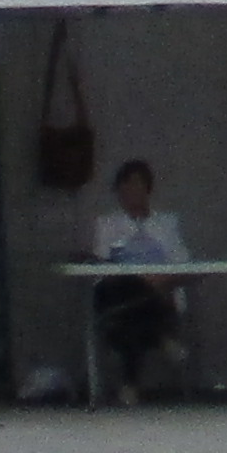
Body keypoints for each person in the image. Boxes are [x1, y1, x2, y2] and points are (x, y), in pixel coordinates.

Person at [87, 159, 193, 399]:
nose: (131, 191)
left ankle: (130, 385)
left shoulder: (166, 224)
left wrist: (161, 280)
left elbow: (184, 264)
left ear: (148, 188)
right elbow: (103, 264)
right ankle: (160, 337)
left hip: (159, 292)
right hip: (118, 292)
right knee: (128, 285)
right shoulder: (107, 224)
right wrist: (142, 279)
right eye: (126, 186)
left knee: (129, 320)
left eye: (137, 185)